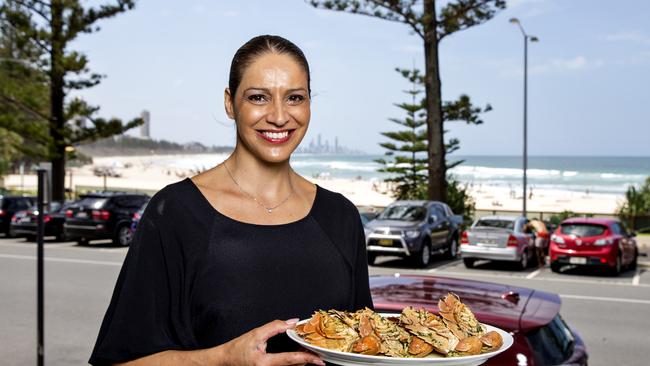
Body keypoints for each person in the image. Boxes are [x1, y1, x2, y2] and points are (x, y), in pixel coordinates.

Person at [89, 35, 373, 366]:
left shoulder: (340, 217)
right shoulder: (176, 213)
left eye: (295, 97)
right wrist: (223, 358)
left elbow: (363, 349)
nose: (279, 116)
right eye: (258, 97)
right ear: (229, 102)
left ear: (310, 103)